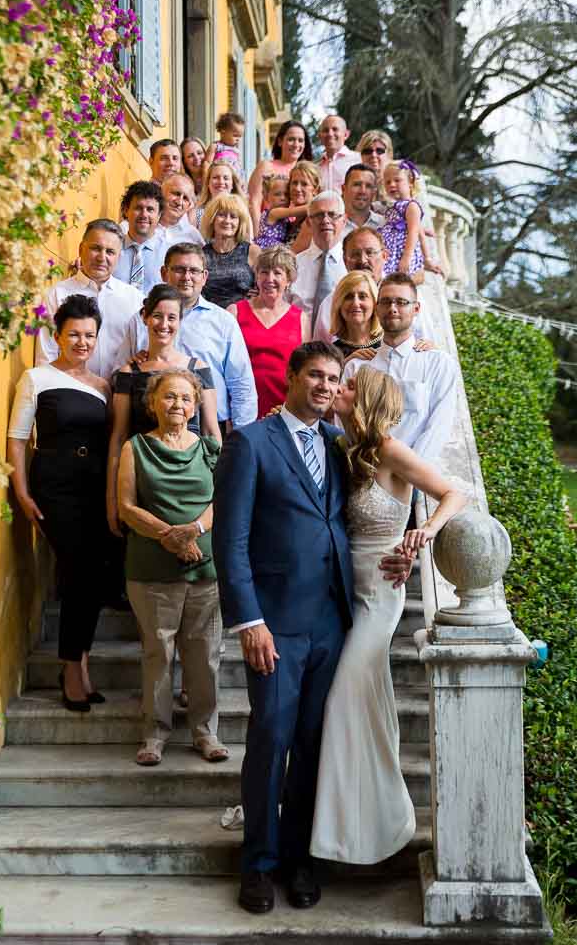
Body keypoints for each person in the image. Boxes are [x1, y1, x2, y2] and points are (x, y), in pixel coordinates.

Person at [213, 342, 412, 915]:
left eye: (333, 378)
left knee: (313, 745)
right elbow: (231, 543)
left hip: (333, 622)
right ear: (292, 378)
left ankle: (301, 860)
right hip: (275, 625)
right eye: (316, 376)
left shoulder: (339, 445)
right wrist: (250, 620)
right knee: (271, 739)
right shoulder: (249, 443)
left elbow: (377, 512)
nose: (326, 386)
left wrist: (403, 554)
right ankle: (258, 866)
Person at [311, 366, 466, 864]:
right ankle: (345, 819)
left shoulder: (391, 449)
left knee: (345, 696)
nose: (339, 389)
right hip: (340, 586)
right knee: (359, 702)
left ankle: (353, 828)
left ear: (369, 397)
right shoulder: (341, 447)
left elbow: (453, 493)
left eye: (349, 385)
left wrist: (423, 535)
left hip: (381, 587)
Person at [117, 369, 227, 766]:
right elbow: (127, 507)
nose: (177, 405)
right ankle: (154, 735)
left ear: (195, 405)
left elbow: (224, 499)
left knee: (204, 654)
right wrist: (171, 537)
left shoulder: (211, 448)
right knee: (157, 653)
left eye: (184, 398)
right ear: (152, 403)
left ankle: (205, 732)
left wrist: (193, 531)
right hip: (150, 568)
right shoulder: (135, 448)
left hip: (207, 568)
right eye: (168, 397)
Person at [8, 295, 111, 713]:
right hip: (54, 487)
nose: (82, 342)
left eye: (89, 335)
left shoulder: (103, 386)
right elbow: (17, 438)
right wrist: (22, 492)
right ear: (58, 336)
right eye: (74, 334)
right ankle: (70, 669)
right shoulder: (36, 378)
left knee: (95, 578)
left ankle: (80, 664)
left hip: (95, 488)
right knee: (75, 573)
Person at [107, 283, 220, 536]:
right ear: (145, 317)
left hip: (192, 476)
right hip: (145, 481)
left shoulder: (198, 368)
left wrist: (221, 493)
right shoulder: (129, 373)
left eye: (172, 317)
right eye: (157, 316)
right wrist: (112, 499)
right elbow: (118, 437)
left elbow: (211, 431)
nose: (164, 324)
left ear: (180, 321)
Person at [113, 243, 258, 433]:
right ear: (164, 273)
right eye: (179, 269)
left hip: (211, 428)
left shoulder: (223, 322)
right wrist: (135, 364)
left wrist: (242, 436)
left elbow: (241, 385)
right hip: (149, 429)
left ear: (204, 277)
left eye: (194, 271)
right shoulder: (141, 320)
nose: (187, 277)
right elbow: (119, 375)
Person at [344, 273, 459, 460]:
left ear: (416, 309)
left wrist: (407, 475)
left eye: (401, 302)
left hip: (412, 479)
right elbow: (344, 424)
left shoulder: (438, 364)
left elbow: (439, 425)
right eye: (386, 302)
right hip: (361, 473)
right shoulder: (356, 367)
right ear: (376, 308)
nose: (393, 308)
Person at [36, 219, 143, 380]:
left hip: (121, 394)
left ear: (119, 257)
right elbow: (46, 354)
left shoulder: (134, 299)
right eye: (95, 248)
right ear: (81, 249)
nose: (102, 257)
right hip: (70, 391)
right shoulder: (57, 294)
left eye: (110, 252)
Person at [313, 226, 434, 346]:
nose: (363, 260)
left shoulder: (408, 295)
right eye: (355, 254)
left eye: (370, 253)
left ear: (385, 256)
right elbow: (320, 352)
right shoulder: (331, 302)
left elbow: (426, 344)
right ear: (345, 260)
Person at [227, 245, 310, 417]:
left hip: (285, 409)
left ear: (289, 280)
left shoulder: (301, 319)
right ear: (256, 277)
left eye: (277, 273)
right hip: (242, 408)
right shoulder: (235, 312)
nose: (269, 279)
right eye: (264, 272)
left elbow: (304, 369)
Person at [291, 191, 347, 329]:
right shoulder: (293, 265)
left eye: (332, 215)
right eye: (319, 215)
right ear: (309, 222)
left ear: (344, 221)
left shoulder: (353, 264)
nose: (325, 220)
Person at [248, 120, 313, 235]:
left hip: (296, 232)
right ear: (280, 141)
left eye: (300, 140)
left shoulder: (306, 171)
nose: (296, 144)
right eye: (291, 139)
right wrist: (257, 235)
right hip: (269, 232)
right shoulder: (266, 166)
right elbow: (254, 202)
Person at [381, 159, 442, 282]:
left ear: (410, 182)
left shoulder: (412, 206)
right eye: (388, 182)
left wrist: (406, 258)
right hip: (391, 252)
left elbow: (414, 233)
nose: (392, 184)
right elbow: (421, 232)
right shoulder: (394, 206)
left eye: (397, 180)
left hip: (401, 253)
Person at [200, 194, 260, 309]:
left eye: (233, 216)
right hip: (210, 317)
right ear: (212, 219)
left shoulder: (253, 251)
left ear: (240, 222)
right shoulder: (201, 254)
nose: (227, 221)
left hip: (243, 317)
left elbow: (263, 287)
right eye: (221, 215)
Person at [113, 181, 166, 293]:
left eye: (150, 209)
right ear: (126, 210)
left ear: (159, 214)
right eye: (138, 208)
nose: (144, 214)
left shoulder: (168, 253)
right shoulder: (111, 249)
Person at [322, 270, 382, 358]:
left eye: (362, 296)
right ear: (339, 304)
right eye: (348, 297)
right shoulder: (330, 354)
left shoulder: (387, 345)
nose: (355, 303)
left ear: (374, 302)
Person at [194, 161, 246, 232]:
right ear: (208, 183)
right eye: (215, 177)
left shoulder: (242, 210)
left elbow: (248, 239)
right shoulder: (196, 213)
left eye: (226, 178)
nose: (221, 182)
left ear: (232, 184)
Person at [316, 114, 361, 193]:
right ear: (320, 136)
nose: (330, 134)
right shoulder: (315, 167)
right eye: (326, 130)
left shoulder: (358, 160)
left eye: (335, 129)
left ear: (346, 134)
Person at [287, 160, 322, 253]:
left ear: (316, 189)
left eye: (304, 184)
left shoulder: (313, 220)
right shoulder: (292, 220)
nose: (297, 188)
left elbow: (292, 255)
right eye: (294, 183)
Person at [158, 173, 203, 246]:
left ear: (189, 205)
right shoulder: (144, 225)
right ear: (161, 192)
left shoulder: (194, 237)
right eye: (176, 194)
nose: (179, 202)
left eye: (185, 198)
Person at [342, 164, 385, 233]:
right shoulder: (331, 225)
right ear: (344, 189)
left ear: (374, 192)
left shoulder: (384, 225)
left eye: (368, 186)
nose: (362, 191)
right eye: (357, 184)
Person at [205, 111, 245, 178]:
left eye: (240, 136)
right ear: (223, 132)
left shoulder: (236, 150)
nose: (238, 139)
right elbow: (207, 164)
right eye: (235, 135)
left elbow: (239, 168)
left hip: (234, 181)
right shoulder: (216, 147)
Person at [356, 129, 393, 198]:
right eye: (367, 151)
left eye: (379, 151)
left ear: (389, 154)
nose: (373, 155)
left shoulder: (399, 183)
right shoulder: (353, 185)